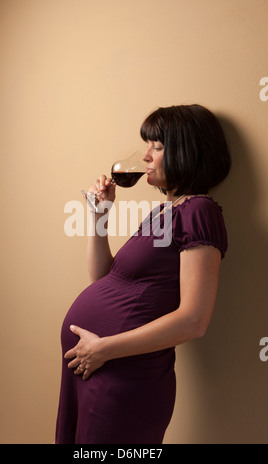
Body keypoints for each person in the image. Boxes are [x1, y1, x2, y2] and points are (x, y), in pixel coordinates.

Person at [55, 104, 231, 444]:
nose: (146, 156)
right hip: (96, 366)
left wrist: (103, 349)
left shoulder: (199, 211)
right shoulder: (163, 212)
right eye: (146, 145)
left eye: (158, 146)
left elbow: (194, 320)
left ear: (187, 150)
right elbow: (104, 279)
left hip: (124, 375)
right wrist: (99, 217)